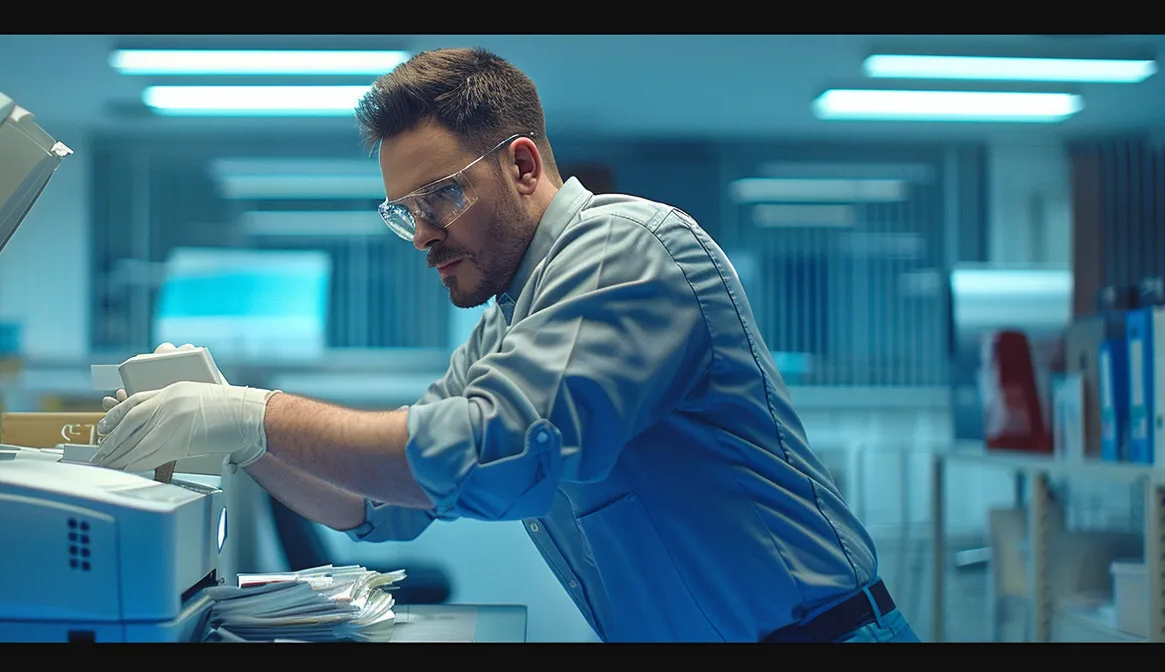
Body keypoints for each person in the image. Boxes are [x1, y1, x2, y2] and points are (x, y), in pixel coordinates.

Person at [93, 46, 917, 644]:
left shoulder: (626, 249)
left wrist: (253, 414)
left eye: (440, 196)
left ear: (523, 165)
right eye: (403, 212)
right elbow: (387, 502)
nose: (422, 234)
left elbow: (493, 453)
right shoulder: (510, 317)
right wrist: (239, 438)